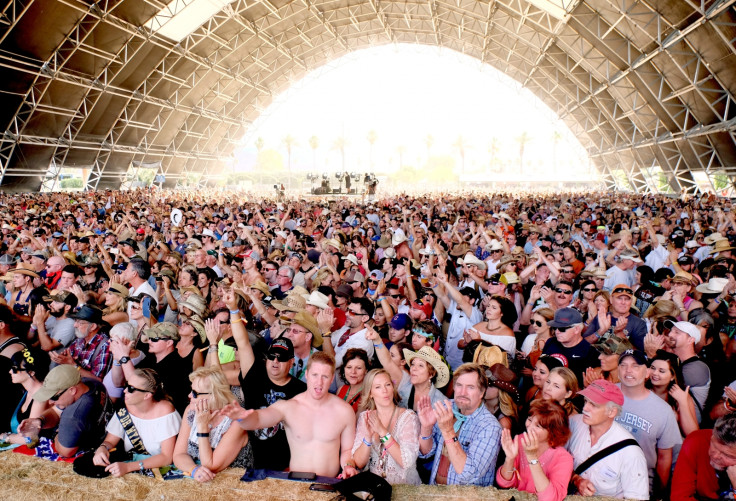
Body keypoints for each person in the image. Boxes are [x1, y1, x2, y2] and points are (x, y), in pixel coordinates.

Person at [221, 351, 358, 478]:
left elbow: (347, 451)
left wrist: (348, 466)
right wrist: (242, 417)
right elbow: (258, 419)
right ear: (307, 374)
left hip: (328, 483)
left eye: (325, 376)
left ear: (332, 378)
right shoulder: (289, 406)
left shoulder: (344, 411)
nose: (319, 382)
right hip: (295, 484)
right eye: (315, 375)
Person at [76, 368, 181, 478]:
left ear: (147, 395)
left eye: (131, 389)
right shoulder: (126, 405)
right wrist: (103, 447)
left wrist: (128, 467)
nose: (125, 390)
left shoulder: (165, 411)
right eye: (126, 385)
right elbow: (110, 440)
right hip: (132, 463)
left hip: (155, 468)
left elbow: (166, 457)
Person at [417, 363, 502, 486]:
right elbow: (426, 453)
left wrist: (448, 432)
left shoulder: (490, 427)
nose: (463, 392)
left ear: (482, 392)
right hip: (435, 491)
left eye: (470, 387)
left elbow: (468, 474)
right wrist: (426, 428)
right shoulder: (446, 407)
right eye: (459, 385)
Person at [566, 379, 649, 499]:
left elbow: (637, 498)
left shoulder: (631, 453)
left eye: (593, 405)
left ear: (611, 412)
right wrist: (576, 480)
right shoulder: (574, 423)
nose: (585, 408)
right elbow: (553, 462)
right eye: (585, 401)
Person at [616, 349, 682, 496]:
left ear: (647, 373)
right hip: (599, 479)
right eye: (623, 365)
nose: (628, 370)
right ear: (618, 370)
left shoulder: (664, 411)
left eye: (635, 366)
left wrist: (660, 493)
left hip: (639, 485)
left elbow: (665, 457)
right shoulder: (605, 394)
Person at [173, 366, 252, 482]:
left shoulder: (236, 423)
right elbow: (178, 455)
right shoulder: (191, 411)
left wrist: (202, 428)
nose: (189, 396)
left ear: (213, 396)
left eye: (195, 393)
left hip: (234, 483)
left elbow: (210, 465)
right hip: (203, 481)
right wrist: (194, 470)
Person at [18, 364, 112, 457]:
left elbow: (65, 452)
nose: (50, 402)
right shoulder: (91, 383)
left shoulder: (72, 417)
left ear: (72, 390)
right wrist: (40, 421)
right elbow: (56, 411)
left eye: (54, 397)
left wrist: (56, 433)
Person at [352, 368, 421, 484]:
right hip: (377, 488)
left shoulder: (408, 417)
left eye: (387, 385)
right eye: (378, 387)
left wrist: (382, 432)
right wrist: (367, 439)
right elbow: (359, 463)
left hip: (406, 489)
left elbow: (406, 462)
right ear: (370, 394)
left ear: (392, 388)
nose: (384, 390)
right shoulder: (365, 417)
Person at [496, 400, 573, 501]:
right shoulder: (520, 440)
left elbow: (550, 498)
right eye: (529, 419)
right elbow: (504, 483)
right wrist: (509, 459)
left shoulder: (563, 458)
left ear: (553, 432)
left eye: (538, 426)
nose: (529, 427)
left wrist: (532, 458)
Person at [112, 321, 191, 415]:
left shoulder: (178, 366)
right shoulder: (151, 358)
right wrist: (117, 359)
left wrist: (124, 358)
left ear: (169, 343)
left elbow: (136, 385)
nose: (149, 341)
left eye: (155, 339)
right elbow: (118, 383)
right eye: (150, 338)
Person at [671, 412, 736, 501]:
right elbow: (679, 497)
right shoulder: (697, 440)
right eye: (713, 445)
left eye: (727, 455)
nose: (716, 456)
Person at [0, 348, 51, 443]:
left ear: (31, 372)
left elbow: (30, 438)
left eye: (15, 369)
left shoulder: (41, 396)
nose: (10, 372)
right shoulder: (27, 391)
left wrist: (4, 436)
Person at [664, 319, 711, 423]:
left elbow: (662, 385)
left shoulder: (698, 367)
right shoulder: (677, 361)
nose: (670, 334)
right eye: (671, 331)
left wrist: (652, 355)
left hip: (686, 427)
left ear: (690, 340)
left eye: (677, 332)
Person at [49, 305, 112, 381]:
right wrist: (61, 358)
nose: (74, 325)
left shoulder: (104, 345)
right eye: (75, 321)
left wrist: (73, 365)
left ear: (92, 327)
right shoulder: (80, 339)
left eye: (80, 323)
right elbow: (68, 358)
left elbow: (98, 380)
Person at [542, 308, 600, 386]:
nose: (557, 332)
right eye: (555, 327)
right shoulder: (551, 342)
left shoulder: (590, 353)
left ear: (576, 329)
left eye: (562, 329)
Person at [647, 351, 699, 437]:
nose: (655, 373)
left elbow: (692, 434)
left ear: (672, 376)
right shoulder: (642, 389)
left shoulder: (681, 395)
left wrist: (683, 403)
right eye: (652, 368)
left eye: (661, 371)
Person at [336, 348, 370, 412]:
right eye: (349, 367)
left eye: (358, 368)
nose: (353, 372)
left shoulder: (367, 395)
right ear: (344, 369)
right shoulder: (341, 389)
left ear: (366, 370)